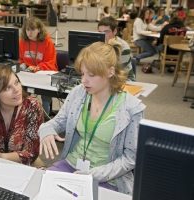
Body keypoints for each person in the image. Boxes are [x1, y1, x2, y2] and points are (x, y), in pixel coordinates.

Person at [38, 41, 146, 194]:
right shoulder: (78, 93)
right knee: (42, 191)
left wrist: (95, 174)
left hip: (108, 176)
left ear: (110, 72)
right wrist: (46, 129)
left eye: (91, 75)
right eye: (82, 74)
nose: (83, 80)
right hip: (72, 165)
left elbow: (131, 157)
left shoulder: (131, 108)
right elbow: (59, 121)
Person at [19, 16, 57, 115]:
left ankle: (45, 118)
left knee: (45, 96)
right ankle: (23, 117)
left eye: (33, 30)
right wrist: (22, 65)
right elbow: (20, 58)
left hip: (44, 73)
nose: (29, 33)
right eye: (27, 30)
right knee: (20, 93)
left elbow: (51, 62)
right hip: (28, 73)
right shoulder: (23, 41)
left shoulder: (47, 42)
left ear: (39, 30)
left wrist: (37, 68)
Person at [98, 16, 135, 81]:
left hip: (124, 79)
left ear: (114, 31)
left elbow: (116, 71)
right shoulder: (98, 44)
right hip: (103, 77)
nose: (103, 35)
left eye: (106, 32)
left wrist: (109, 47)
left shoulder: (123, 47)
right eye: (100, 32)